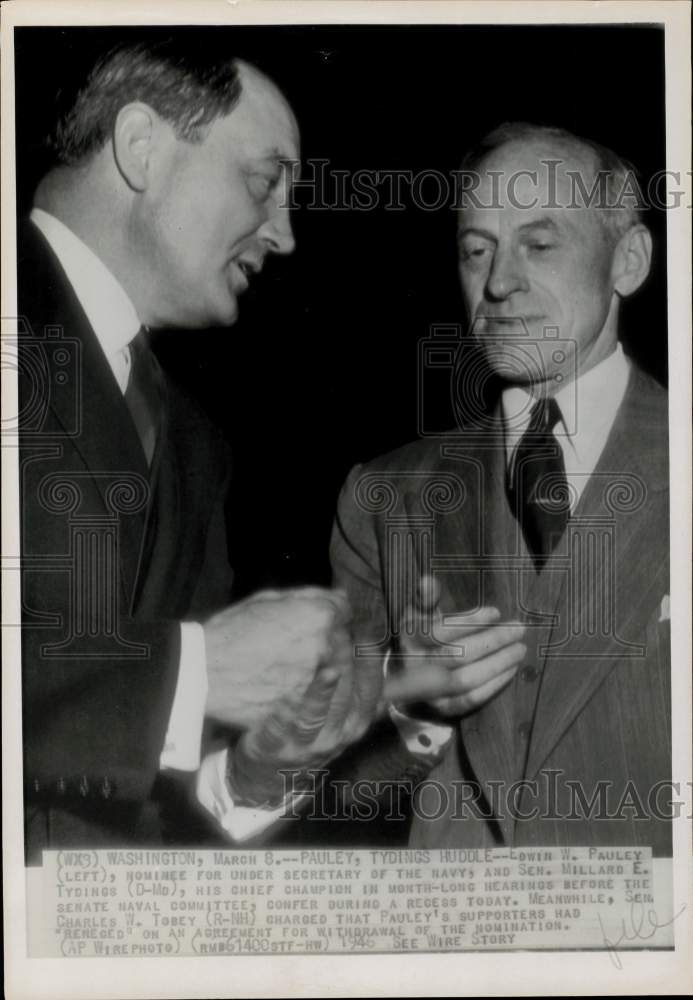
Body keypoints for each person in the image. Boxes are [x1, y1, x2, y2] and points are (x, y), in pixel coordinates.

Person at [17, 38, 379, 862]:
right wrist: (192, 672)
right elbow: (176, 680)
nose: (284, 234)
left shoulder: (193, 443)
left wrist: (260, 769)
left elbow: (160, 792)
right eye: (264, 180)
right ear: (143, 147)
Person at [329, 123, 671, 853]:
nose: (497, 283)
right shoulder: (384, 497)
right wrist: (406, 706)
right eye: (475, 250)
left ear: (629, 260)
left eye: (538, 246)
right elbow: (335, 792)